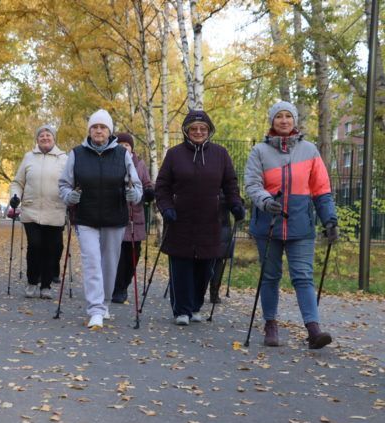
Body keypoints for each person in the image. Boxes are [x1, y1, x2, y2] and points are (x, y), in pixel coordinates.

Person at [245, 101, 338, 349]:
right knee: (270, 276)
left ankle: (313, 329)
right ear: (272, 121)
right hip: (268, 224)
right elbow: (252, 185)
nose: (284, 120)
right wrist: (265, 201)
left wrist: (329, 218)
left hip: (301, 225)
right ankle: (271, 325)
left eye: (288, 116)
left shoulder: (310, 151)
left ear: (294, 120)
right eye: (279, 117)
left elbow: (321, 190)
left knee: (304, 276)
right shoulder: (259, 151)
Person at [155, 110, 244, 326]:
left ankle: (195, 306)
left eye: (202, 129)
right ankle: (181, 310)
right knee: (181, 265)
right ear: (186, 131)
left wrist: (236, 204)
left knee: (206, 267)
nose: (198, 132)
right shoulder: (174, 154)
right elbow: (162, 186)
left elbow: (230, 183)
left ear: (209, 131)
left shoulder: (220, 154)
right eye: (193, 128)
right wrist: (166, 207)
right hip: (180, 219)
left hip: (210, 220)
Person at [59, 109, 142, 329]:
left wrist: (134, 194)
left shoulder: (122, 155)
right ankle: (95, 308)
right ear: (89, 130)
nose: (98, 130)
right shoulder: (76, 153)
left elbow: (137, 184)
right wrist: (70, 196)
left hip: (115, 217)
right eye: (95, 127)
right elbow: (64, 184)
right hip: (86, 217)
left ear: (109, 131)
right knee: (92, 261)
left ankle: (104, 303)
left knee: (109, 263)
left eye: (103, 127)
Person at [9, 124, 68, 299]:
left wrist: (72, 198)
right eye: (41, 135)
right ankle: (32, 281)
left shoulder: (64, 158)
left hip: (55, 210)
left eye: (48, 135)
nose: (45, 138)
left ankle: (46, 286)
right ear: (37, 139)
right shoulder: (29, 157)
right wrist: (15, 196)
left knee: (52, 248)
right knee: (34, 246)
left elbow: (71, 182)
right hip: (31, 209)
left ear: (54, 138)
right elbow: (17, 182)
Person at [111, 132, 155, 304]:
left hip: (134, 217)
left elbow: (147, 184)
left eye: (127, 145)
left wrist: (149, 192)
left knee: (133, 255)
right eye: (120, 145)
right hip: (114, 215)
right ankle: (115, 288)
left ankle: (123, 285)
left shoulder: (140, 164)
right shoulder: (111, 162)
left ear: (132, 148)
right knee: (116, 255)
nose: (124, 147)